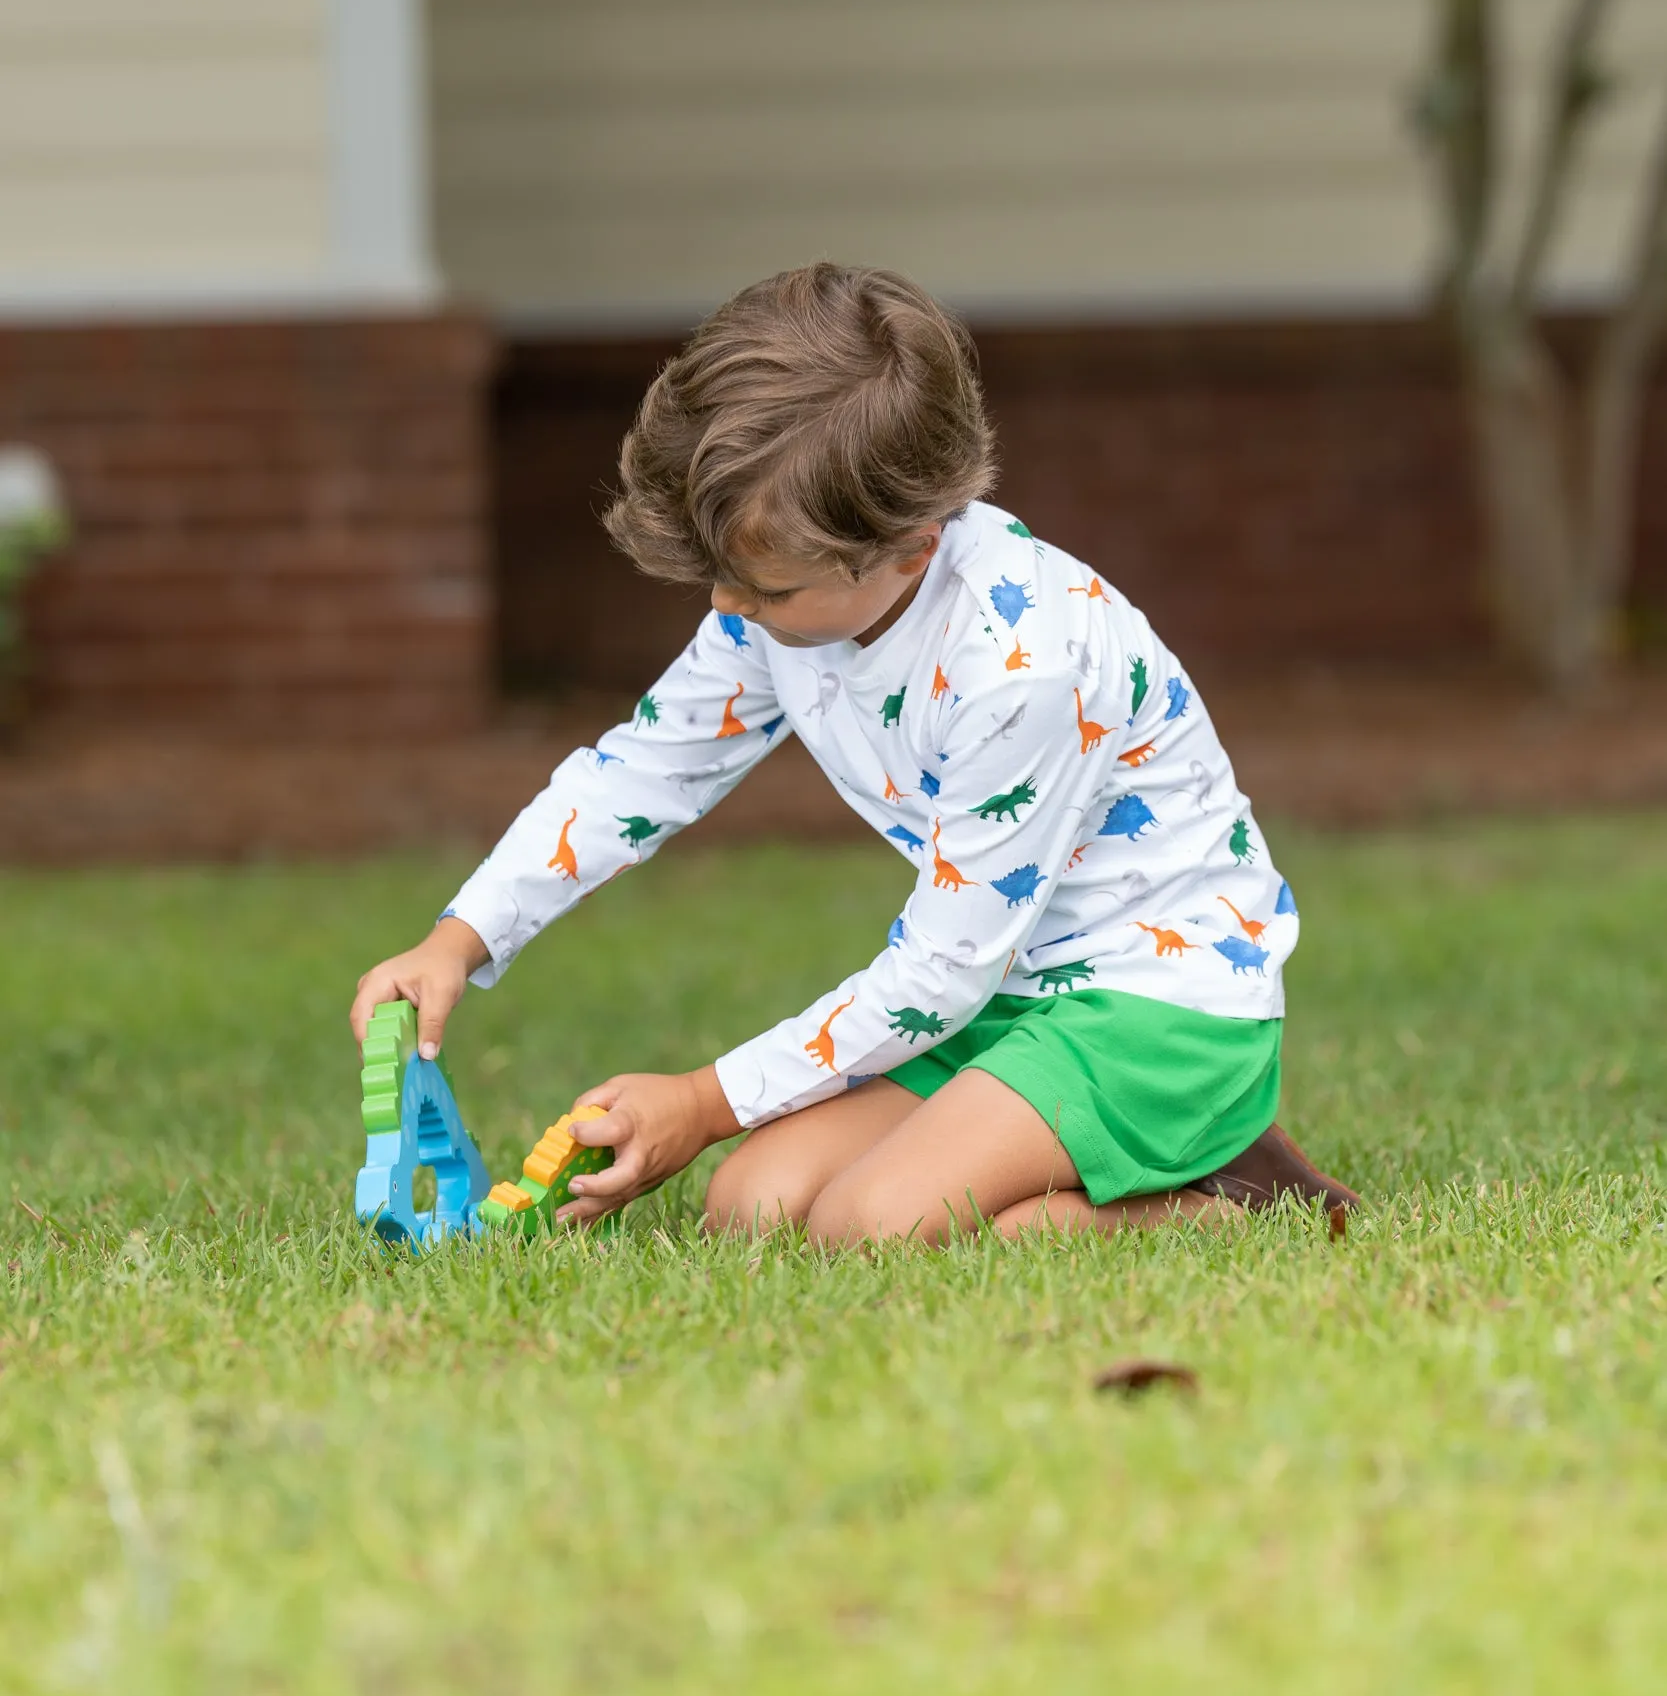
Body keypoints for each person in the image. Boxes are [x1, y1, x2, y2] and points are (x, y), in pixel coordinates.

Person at [350, 263, 1357, 1245]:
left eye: (765, 590)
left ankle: (1228, 1197)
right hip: (1004, 1002)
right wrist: (459, 939)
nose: (724, 607)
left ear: (911, 545)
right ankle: (1067, 1151)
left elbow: (939, 969)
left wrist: (705, 1101)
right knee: (750, 1206)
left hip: (1157, 1014)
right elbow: (642, 769)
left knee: (866, 1227)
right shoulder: (777, 597)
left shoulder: (1024, 666)